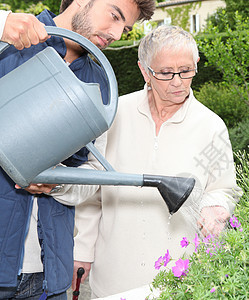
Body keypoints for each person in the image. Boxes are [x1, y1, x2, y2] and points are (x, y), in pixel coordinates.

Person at [73, 25, 243, 298]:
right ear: (144, 71)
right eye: (165, 73)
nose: (178, 81)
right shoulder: (115, 115)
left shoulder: (211, 126)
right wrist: (82, 251)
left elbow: (223, 189)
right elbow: (93, 193)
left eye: (186, 70)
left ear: (196, 64)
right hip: (114, 274)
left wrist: (215, 207)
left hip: (179, 276)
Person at [0, 0, 155, 299]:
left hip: (48, 277)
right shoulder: (9, 38)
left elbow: (94, 174)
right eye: (114, 16)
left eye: (125, 28)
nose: (117, 34)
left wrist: (56, 184)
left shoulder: (102, 87)